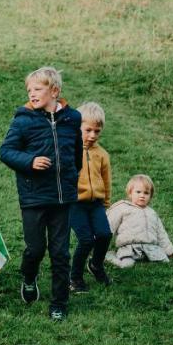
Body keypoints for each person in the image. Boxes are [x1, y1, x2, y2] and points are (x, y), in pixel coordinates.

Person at [0, 67, 82, 321]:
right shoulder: (23, 120)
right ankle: (29, 276)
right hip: (34, 197)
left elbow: (76, 153)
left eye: (38, 89)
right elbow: (6, 151)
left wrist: (71, 178)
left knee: (60, 252)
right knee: (35, 248)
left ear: (54, 91)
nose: (32, 94)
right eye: (29, 90)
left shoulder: (73, 118)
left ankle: (59, 302)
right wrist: (30, 161)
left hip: (63, 198)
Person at [69, 102, 113, 293]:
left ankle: (96, 264)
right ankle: (75, 278)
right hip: (75, 204)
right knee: (86, 240)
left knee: (105, 234)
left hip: (96, 204)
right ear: (78, 127)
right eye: (88, 130)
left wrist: (106, 202)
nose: (92, 135)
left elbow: (106, 180)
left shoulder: (102, 154)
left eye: (97, 131)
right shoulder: (70, 150)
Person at [106, 174, 173, 268]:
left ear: (150, 196)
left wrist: (169, 250)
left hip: (150, 248)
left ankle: (149, 257)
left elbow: (161, 233)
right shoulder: (122, 208)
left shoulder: (152, 213)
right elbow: (109, 226)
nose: (142, 196)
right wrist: (99, 244)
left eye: (146, 193)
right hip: (130, 248)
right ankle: (109, 256)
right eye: (138, 192)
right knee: (127, 265)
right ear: (130, 193)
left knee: (165, 261)